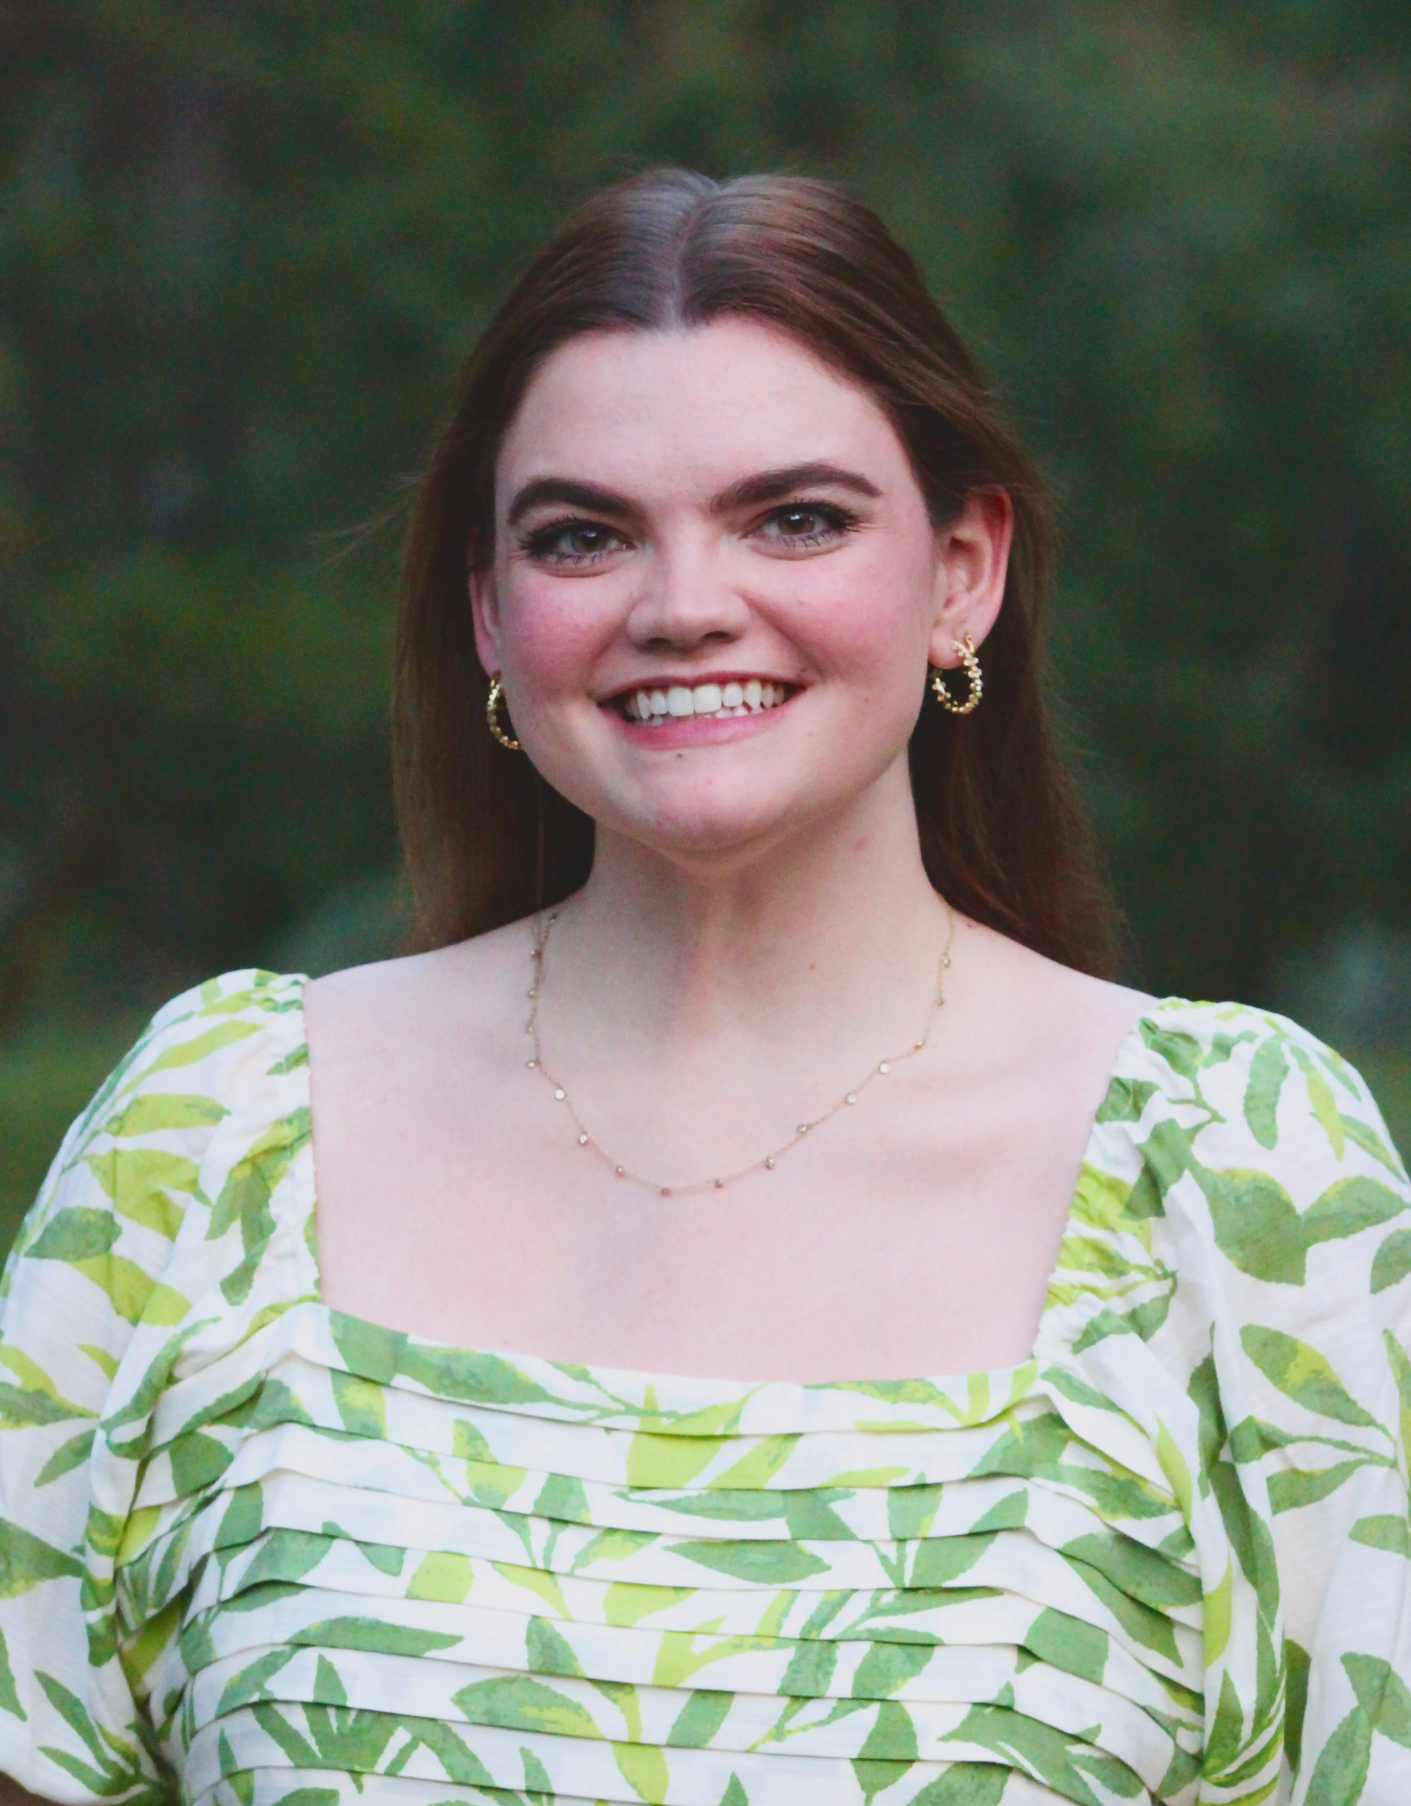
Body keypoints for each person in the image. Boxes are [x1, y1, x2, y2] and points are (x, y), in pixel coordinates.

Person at [0, 169, 1406, 1806]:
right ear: (487, 609)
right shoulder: (214, 1139)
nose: (681, 606)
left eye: (793, 517)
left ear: (962, 569)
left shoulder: (1236, 1184)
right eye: (583, 535)